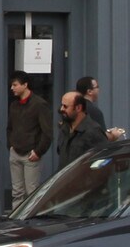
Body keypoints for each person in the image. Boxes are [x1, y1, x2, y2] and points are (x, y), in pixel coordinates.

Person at [7, 71, 52, 204]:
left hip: (31, 154)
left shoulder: (39, 104)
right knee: (17, 192)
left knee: (31, 191)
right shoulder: (14, 105)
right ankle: (16, 221)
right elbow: (9, 127)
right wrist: (11, 145)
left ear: (25, 85)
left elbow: (47, 131)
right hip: (15, 152)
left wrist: (38, 151)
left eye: (15, 85)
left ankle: (30, 220)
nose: (12, 88)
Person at [57, 88, 109, 164]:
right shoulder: (65, 129)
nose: (61, 109)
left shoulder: (93, 131)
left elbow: (103, 160)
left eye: (65, 106)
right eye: (61, 105)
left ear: (78, 108)